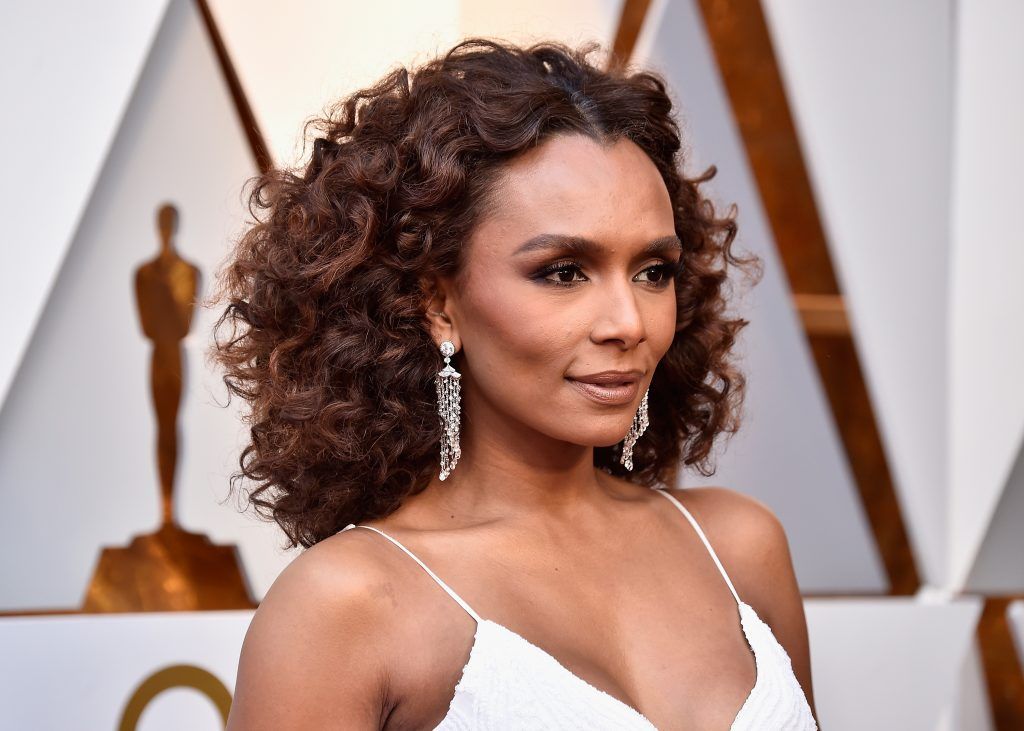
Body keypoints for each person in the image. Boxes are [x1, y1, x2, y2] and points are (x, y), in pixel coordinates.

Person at [209, 37, 819, 730]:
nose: (629, 321)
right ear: (437, 303)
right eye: (563, 271)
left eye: (653, 271)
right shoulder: (350, 604)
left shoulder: (739, 548)